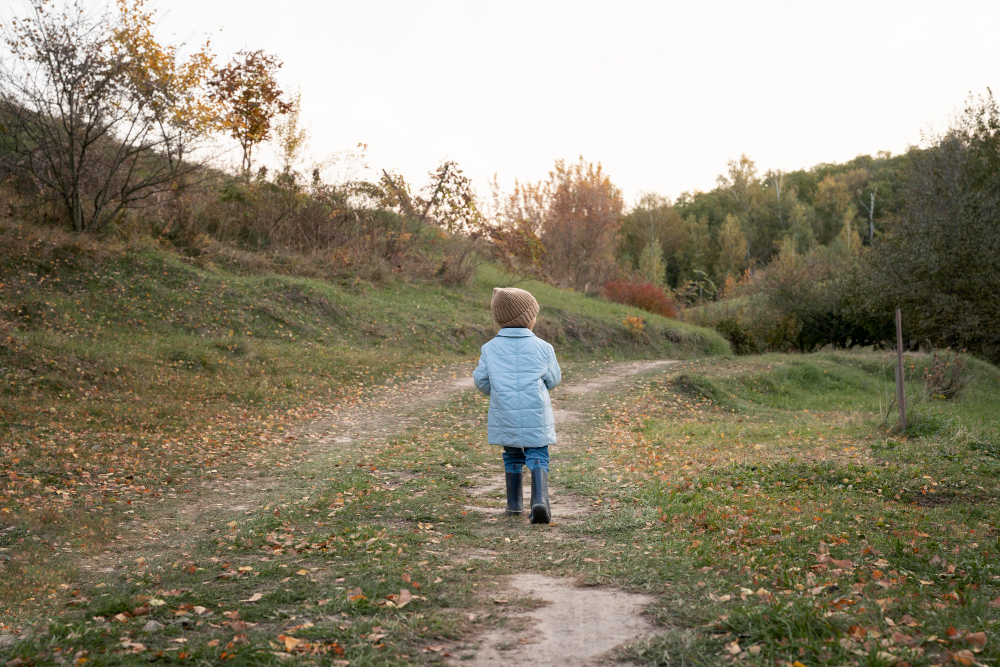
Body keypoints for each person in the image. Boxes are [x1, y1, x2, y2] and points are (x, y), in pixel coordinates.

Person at [473, 287, 561, 524]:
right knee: (538, 454)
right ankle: (540, 500)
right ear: (528, 319)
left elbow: (481, 381)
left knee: (512, 454)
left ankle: (514, 504)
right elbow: (553, 379)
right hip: (536, 414)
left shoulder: (489, 348)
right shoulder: (544, 348)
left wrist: (500, 390)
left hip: (505, 414)